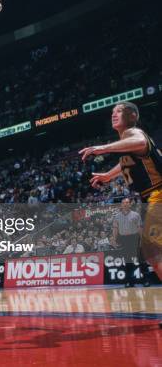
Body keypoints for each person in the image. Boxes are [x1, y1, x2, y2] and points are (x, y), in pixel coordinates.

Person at [80, 102, 162, 328]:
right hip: (150, 197)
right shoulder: (127, 146)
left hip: (159, 193)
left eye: (118, 111)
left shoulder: (133, 133)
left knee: (153, 250)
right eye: (112, 112)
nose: (113, 114)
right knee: (154, 254)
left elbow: (141, 141)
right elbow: (125, 161)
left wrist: (103, 148)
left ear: (132, 115)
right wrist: (108, 175)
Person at [112, 197, 147, 287]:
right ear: (121, 205)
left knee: (140, 261)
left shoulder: (136, 215)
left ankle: (145, 280)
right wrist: (114, 240)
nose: (126, 204)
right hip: (124, 239)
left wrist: (142, 240)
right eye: (124, 202)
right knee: (128, 262)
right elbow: (115, 229)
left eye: (127, 202)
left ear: (130, 204)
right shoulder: (117, 216)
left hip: (135, 238)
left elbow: (140, 228)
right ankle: (129, 282)